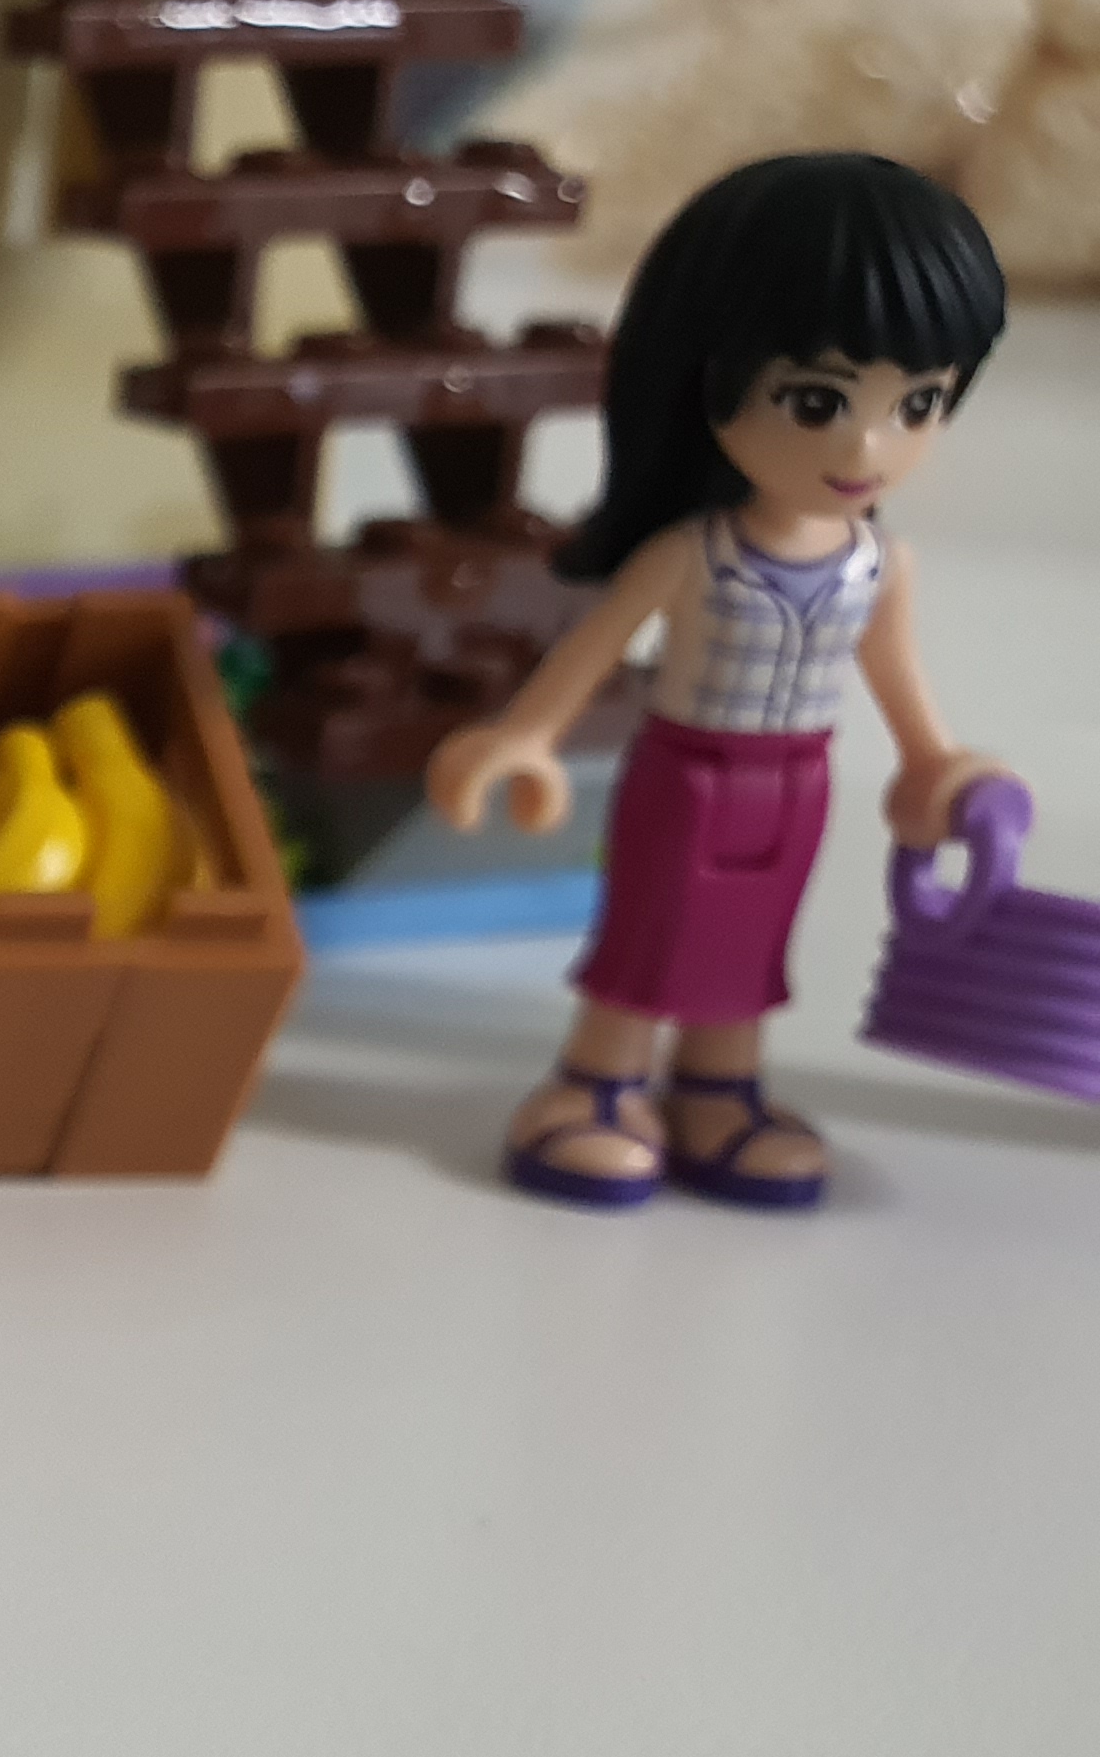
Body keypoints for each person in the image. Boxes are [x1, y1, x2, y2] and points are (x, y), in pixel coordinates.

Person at [427, 153, 1010, 1210]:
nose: (868, 444)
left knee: (752, 944)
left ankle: (720, 1088)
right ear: (710, 377)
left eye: (919, 402)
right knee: (651, 931)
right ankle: (597, 1080)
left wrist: (940, 766)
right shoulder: (695, 554)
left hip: (800, 780)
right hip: (687, 774)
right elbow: (591, 650)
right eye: (817, 400)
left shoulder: (879, 566)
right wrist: (523, 738)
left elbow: (903, 693)